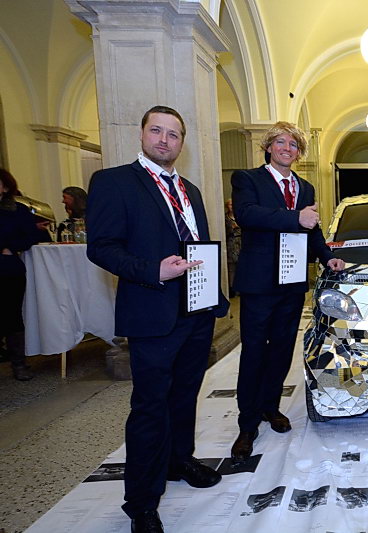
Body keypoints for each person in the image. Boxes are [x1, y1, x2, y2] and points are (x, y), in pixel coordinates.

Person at [86, 105, 229, 533]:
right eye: (157, 131)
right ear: (142, 134)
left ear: (182, 142)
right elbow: (102, 247)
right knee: (150, 408)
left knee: (185, 395)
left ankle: (179, 460)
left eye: (173, 134)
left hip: (196, 310)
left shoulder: (190, 190)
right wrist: (153, 270)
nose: (164, 140)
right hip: (152, 310)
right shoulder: (114, 182)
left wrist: (213, 295)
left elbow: (197, 245)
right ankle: (142, 503)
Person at [230, 121, 344, 463]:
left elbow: (313, 229)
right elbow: (247, 215)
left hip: (292, 282)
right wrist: (295, 218)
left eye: (293, 145)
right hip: (259, 283)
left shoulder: (304, 187)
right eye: (280, 142)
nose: (286, 148)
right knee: (254, 352)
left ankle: (270, 406)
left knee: (281, 350)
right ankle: (247, 424)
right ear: (268, 147)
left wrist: (327, 256)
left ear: (299, 153)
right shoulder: (247, 179)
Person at [0, 169, 49, 381]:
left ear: (5, 187)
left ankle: (18, 364)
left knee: (12, 315)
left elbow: (31, 235)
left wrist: (10, 247)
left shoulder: (17, 210)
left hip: (8, 269)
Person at [224, 198, 241, 295]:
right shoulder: (225, 218)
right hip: (231, 243)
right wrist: (233, 227)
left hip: (241, 242)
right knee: (232, 267)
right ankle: (232, 288)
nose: (232, 207)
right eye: (230, 205)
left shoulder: (240, 216)